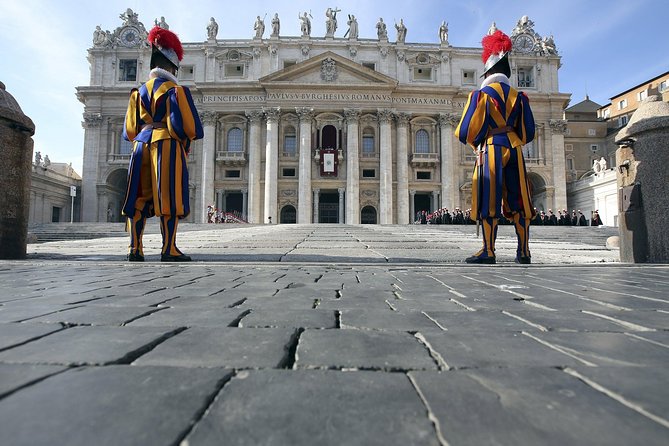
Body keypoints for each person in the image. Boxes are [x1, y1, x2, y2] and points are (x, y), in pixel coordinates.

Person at [122, 26, 204, 262]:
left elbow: (129, 129)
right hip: (166, 144)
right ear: (172, 67)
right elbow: (186, 126)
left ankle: (134, 248)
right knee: (169, 195)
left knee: (138, 196)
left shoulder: (137, 93)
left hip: (140, 145)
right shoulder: (175, 91)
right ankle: (169, 248)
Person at [455, 28, 536, 264]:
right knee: (519, 198)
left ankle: (488, 251)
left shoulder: (481, 96)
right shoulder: (520, 97)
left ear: (488, 72)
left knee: (488, 197)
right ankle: (524, 251)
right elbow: (529, 131)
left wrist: (476, 142)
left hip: (491, 148)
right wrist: (514, 138)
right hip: (514, 148)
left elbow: (465, 129)